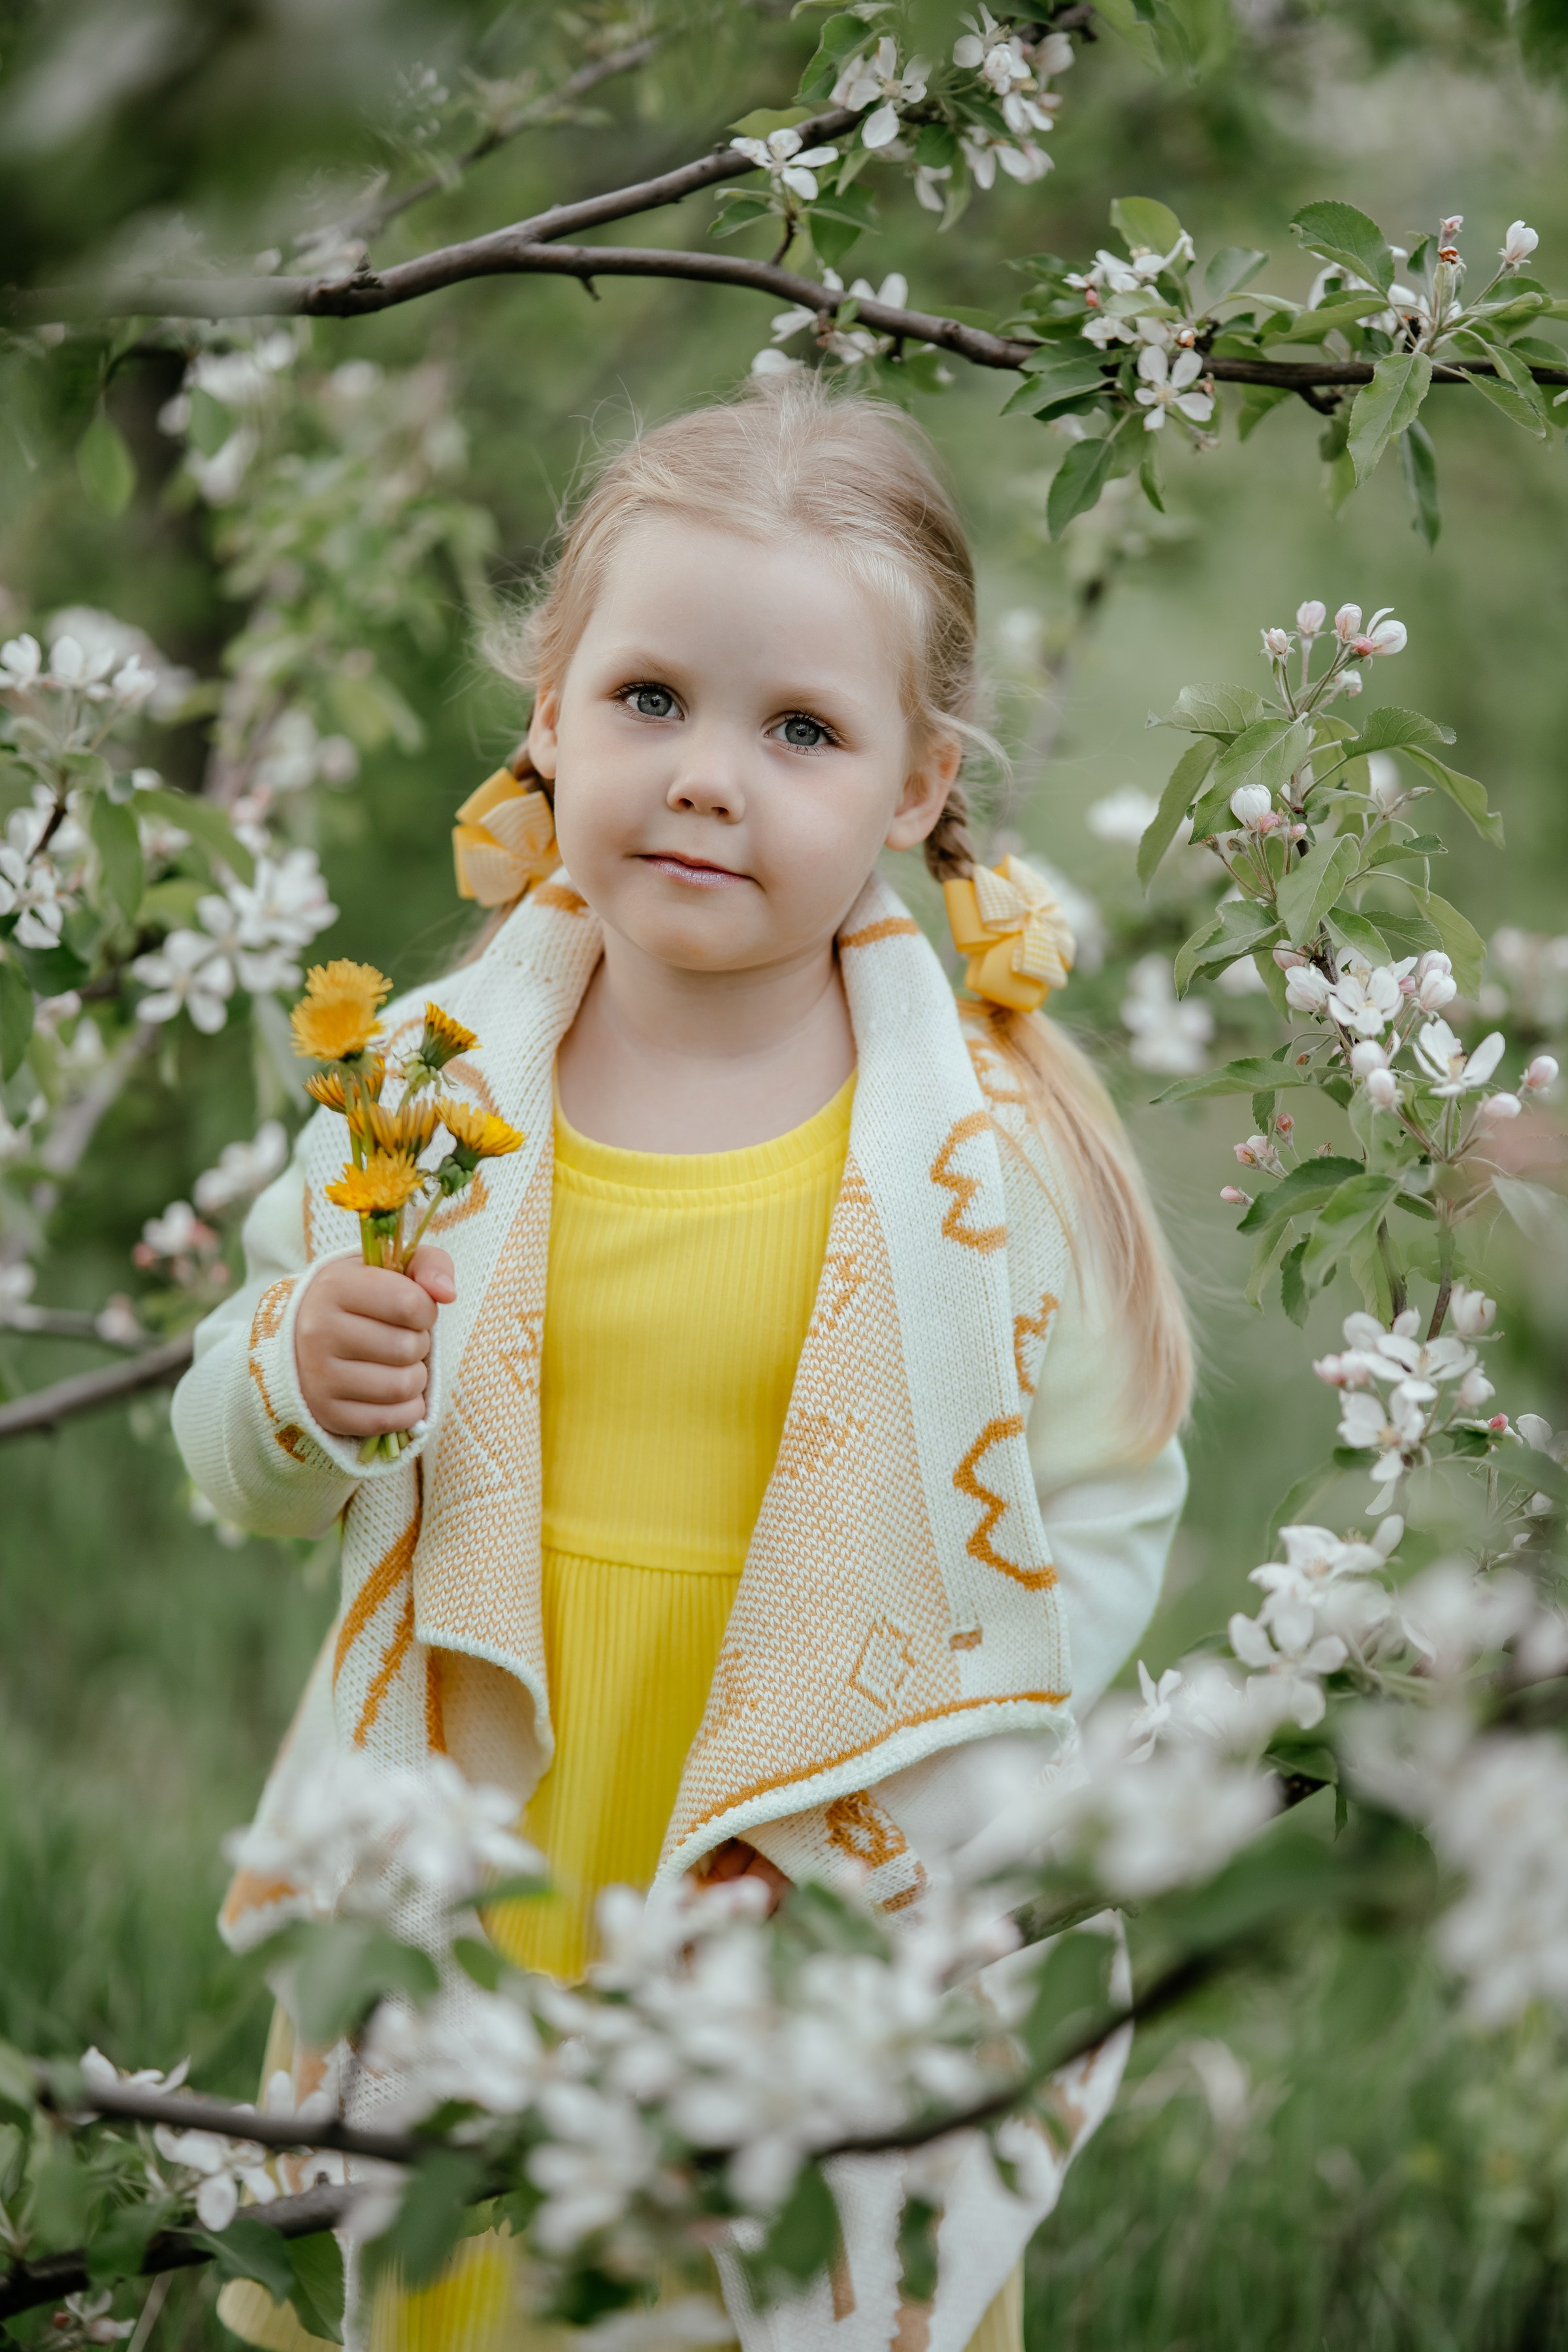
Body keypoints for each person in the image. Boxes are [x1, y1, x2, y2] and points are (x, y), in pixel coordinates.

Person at [174, 378, 1191, 2352]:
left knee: (741, 2287)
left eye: (800, 729)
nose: (709, 777)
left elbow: (1102, 1496)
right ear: (549, 714)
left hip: (810, 1846)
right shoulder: (424, 1100)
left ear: (918, 785)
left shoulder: (982, 1159)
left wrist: (960, 1760)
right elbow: (244, 1455)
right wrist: (296, 1369)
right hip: (502, 1829)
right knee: (463, 2272)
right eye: (650, 698)